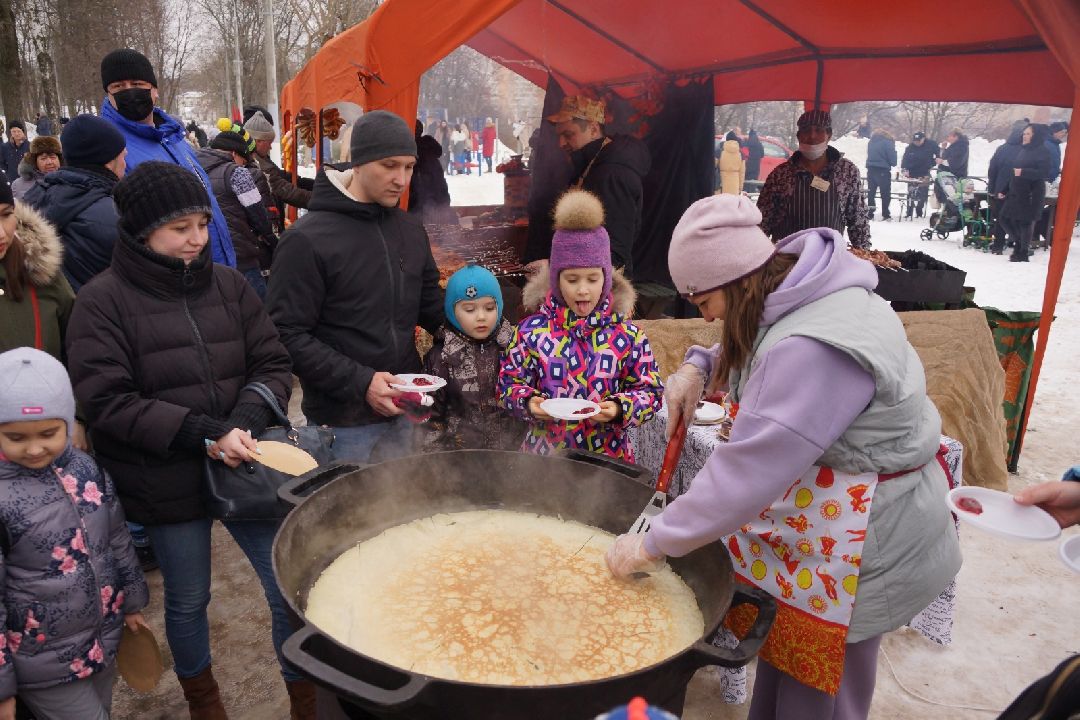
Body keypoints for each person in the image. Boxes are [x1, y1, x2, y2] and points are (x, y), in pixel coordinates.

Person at [606, 194, 961, 720]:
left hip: (864, 541)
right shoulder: (799, 286)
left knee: (823, 693)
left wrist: (652, 543)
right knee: (785, 669)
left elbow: (743, 477)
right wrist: (701, 365)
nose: (705, 316)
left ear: (735, 279)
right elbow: (756, 332)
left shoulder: (813, 349)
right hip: (826, 534)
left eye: (704, 302)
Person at [64, 161, 314, 719]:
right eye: (181, 228)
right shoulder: (101, 302)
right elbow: (107, 400)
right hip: (165, 476)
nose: (197, 239)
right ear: (140, 229)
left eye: (202, 224)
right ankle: (206, 705)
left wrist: (245, 416)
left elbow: (274, 360)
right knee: (188, 598)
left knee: (284, 588)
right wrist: (204, 433)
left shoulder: (228, 286)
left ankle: (306, 699)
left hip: (245, 463)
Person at [266, 111, 443, 464]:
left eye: (408, 167)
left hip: (406, 410)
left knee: (408, 512)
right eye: (389, 165)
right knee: (351, 518)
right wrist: (362, 382)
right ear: (359, 163)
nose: (401, 179)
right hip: (342, 425)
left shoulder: (410, 230)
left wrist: (483, 314)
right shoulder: (306, 239)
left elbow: (430, 306)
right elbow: (285, 333)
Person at [0, 347, 149, 720]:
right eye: (15, 437)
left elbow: (115, 538)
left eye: (48, 433)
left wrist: (131, 601)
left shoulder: (85, 469)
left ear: (68, 421)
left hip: (102, 637)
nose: (34, 448)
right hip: (39, 659)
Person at [498, 189, 662, 460]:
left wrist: (621, 408)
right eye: (572, 280)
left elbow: (650, 391)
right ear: (555, 280)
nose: (583, 290)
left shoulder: (628, 336)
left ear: (606, 279)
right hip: (545, 459)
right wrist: (528, 402)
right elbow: (508, 385)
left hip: (608, 460)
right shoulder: (531, 333)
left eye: (592, 279)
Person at [97, 48, 236, 268]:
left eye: (136, 84)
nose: (129, 91)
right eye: (118, 86)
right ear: (108, 94)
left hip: (214, 269)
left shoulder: (174, 137)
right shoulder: (109, 146)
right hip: (174, 281)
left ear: (154, 90)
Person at [421, 264, 525, 452]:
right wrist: (436, 465)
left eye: (489, 308)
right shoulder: (441, 358)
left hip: (511, 458)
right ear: (452, 312)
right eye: (469, 310)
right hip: (459, 462)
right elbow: (430, 420)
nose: (481, 317)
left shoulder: (513, 348)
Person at [546, 95, 651, 277]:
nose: (561, 143)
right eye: (560, 136)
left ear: (594, 129)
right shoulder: (591, 165)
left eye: (568, 135)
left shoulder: (611, 174)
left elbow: (615, 251)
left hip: (601, 288)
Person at [21, 115, 127, 293]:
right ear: (109, 162)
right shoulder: (115, 216)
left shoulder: (34, 196)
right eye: (123, 156)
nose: (125, 164)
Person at [757, 109, 872, 249]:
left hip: (830, 263)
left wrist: (864, 259)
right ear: (798, 136)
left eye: (819, 130)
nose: (812, 136)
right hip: (785, 263)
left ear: (829, 135)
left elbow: (858, 220)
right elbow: (762, 223)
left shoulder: (847, 172)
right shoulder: (781, 175)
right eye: (806, 130)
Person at [195, 124, 277, 300]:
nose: (244, 164)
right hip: (242, 256)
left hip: (207, 256)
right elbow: (259, 215)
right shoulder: (237, 173)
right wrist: (272, 241)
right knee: (258, 311)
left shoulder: (194, 169)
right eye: (244, 159)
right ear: (234, 153)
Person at [997, 123, 1053, 262]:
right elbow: (1014, 173)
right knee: (1004, 218)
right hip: (1016, 191)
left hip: (1031, 192)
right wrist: (1004, 189)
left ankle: (1022, 251)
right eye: (1024, 133)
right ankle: (1020, 244)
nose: (1024, 136)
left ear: (1035, 136)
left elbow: (1044, 173)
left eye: (1028, 133)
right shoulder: (1023, 150)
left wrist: (1024, 172)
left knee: (1025, 223)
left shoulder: (1042, 151)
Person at [987, 121, 1027, 255]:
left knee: (1001, 219)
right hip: (1020, 190)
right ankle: (1019, 245)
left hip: (1001, 189)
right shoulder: (1027, 150)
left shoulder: (1002, 148)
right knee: (1019, 218)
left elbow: (992, 169)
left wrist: (992, 188)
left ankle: (998, 246)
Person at [408, 119, 452, 223]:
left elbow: (417, 190)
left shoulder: (411, 153)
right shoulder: (430, 150)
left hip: (423, 205)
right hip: (440, 197)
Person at [900, 132, 937, 219]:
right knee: (910, 193)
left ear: (923, 139)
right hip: (912, 174)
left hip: (924, 174)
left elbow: (938, 155)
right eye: (915, 141)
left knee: (923, 194)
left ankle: (919, 211)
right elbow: (905, 159)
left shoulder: (930, 145)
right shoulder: (910, 148)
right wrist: (904, 168)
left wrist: (932, 164)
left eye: (919, 141)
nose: (917, 143)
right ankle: (909, 212)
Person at [865, 129, 896, 221]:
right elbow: (893, 160)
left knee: (871, 192)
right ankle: (886, 214)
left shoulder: (871, 142)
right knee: (885, 193)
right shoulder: (888, 142)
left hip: (870, 169)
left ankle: (870, 213)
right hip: (883, 170)